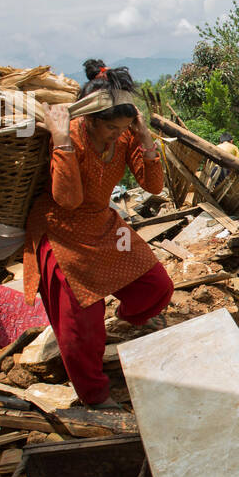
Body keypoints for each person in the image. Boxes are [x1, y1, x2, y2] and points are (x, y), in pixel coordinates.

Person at [22, 59, 174, 407]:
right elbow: (69, 199)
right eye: (110, 129)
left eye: (123, 128)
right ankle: (95, 396)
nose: (116, 135)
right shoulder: (71, 135)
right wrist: (60, 139)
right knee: (81, 329)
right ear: (90, 119)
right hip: (62, 232)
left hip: (104, 226)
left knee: (157, 287)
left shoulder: (124, 137)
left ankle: (124, 323)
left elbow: (152, 185)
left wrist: (144, 135)